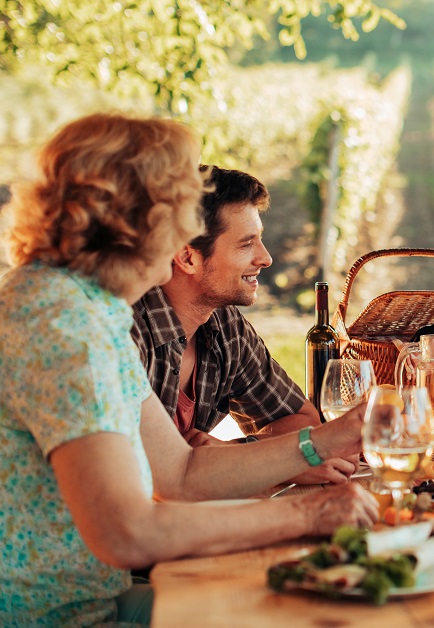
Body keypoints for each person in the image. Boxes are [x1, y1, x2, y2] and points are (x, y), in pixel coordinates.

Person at [0, 113, 380, 626]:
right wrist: (303, 514)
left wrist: (329, 438)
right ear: (140, 219)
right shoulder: (61, 326)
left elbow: (181, 476)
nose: (191, 225)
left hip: (90, 601)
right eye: (184, 206)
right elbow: (128, 531)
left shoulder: (87, 308)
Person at [131, 165, 355, 484]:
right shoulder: (126, 333)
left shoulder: (223, 324)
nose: (265, 258)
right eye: (246, 243)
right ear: (188, 257)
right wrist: (284, 460)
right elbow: (136, 473)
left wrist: (239, 453)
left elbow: (301, 419)